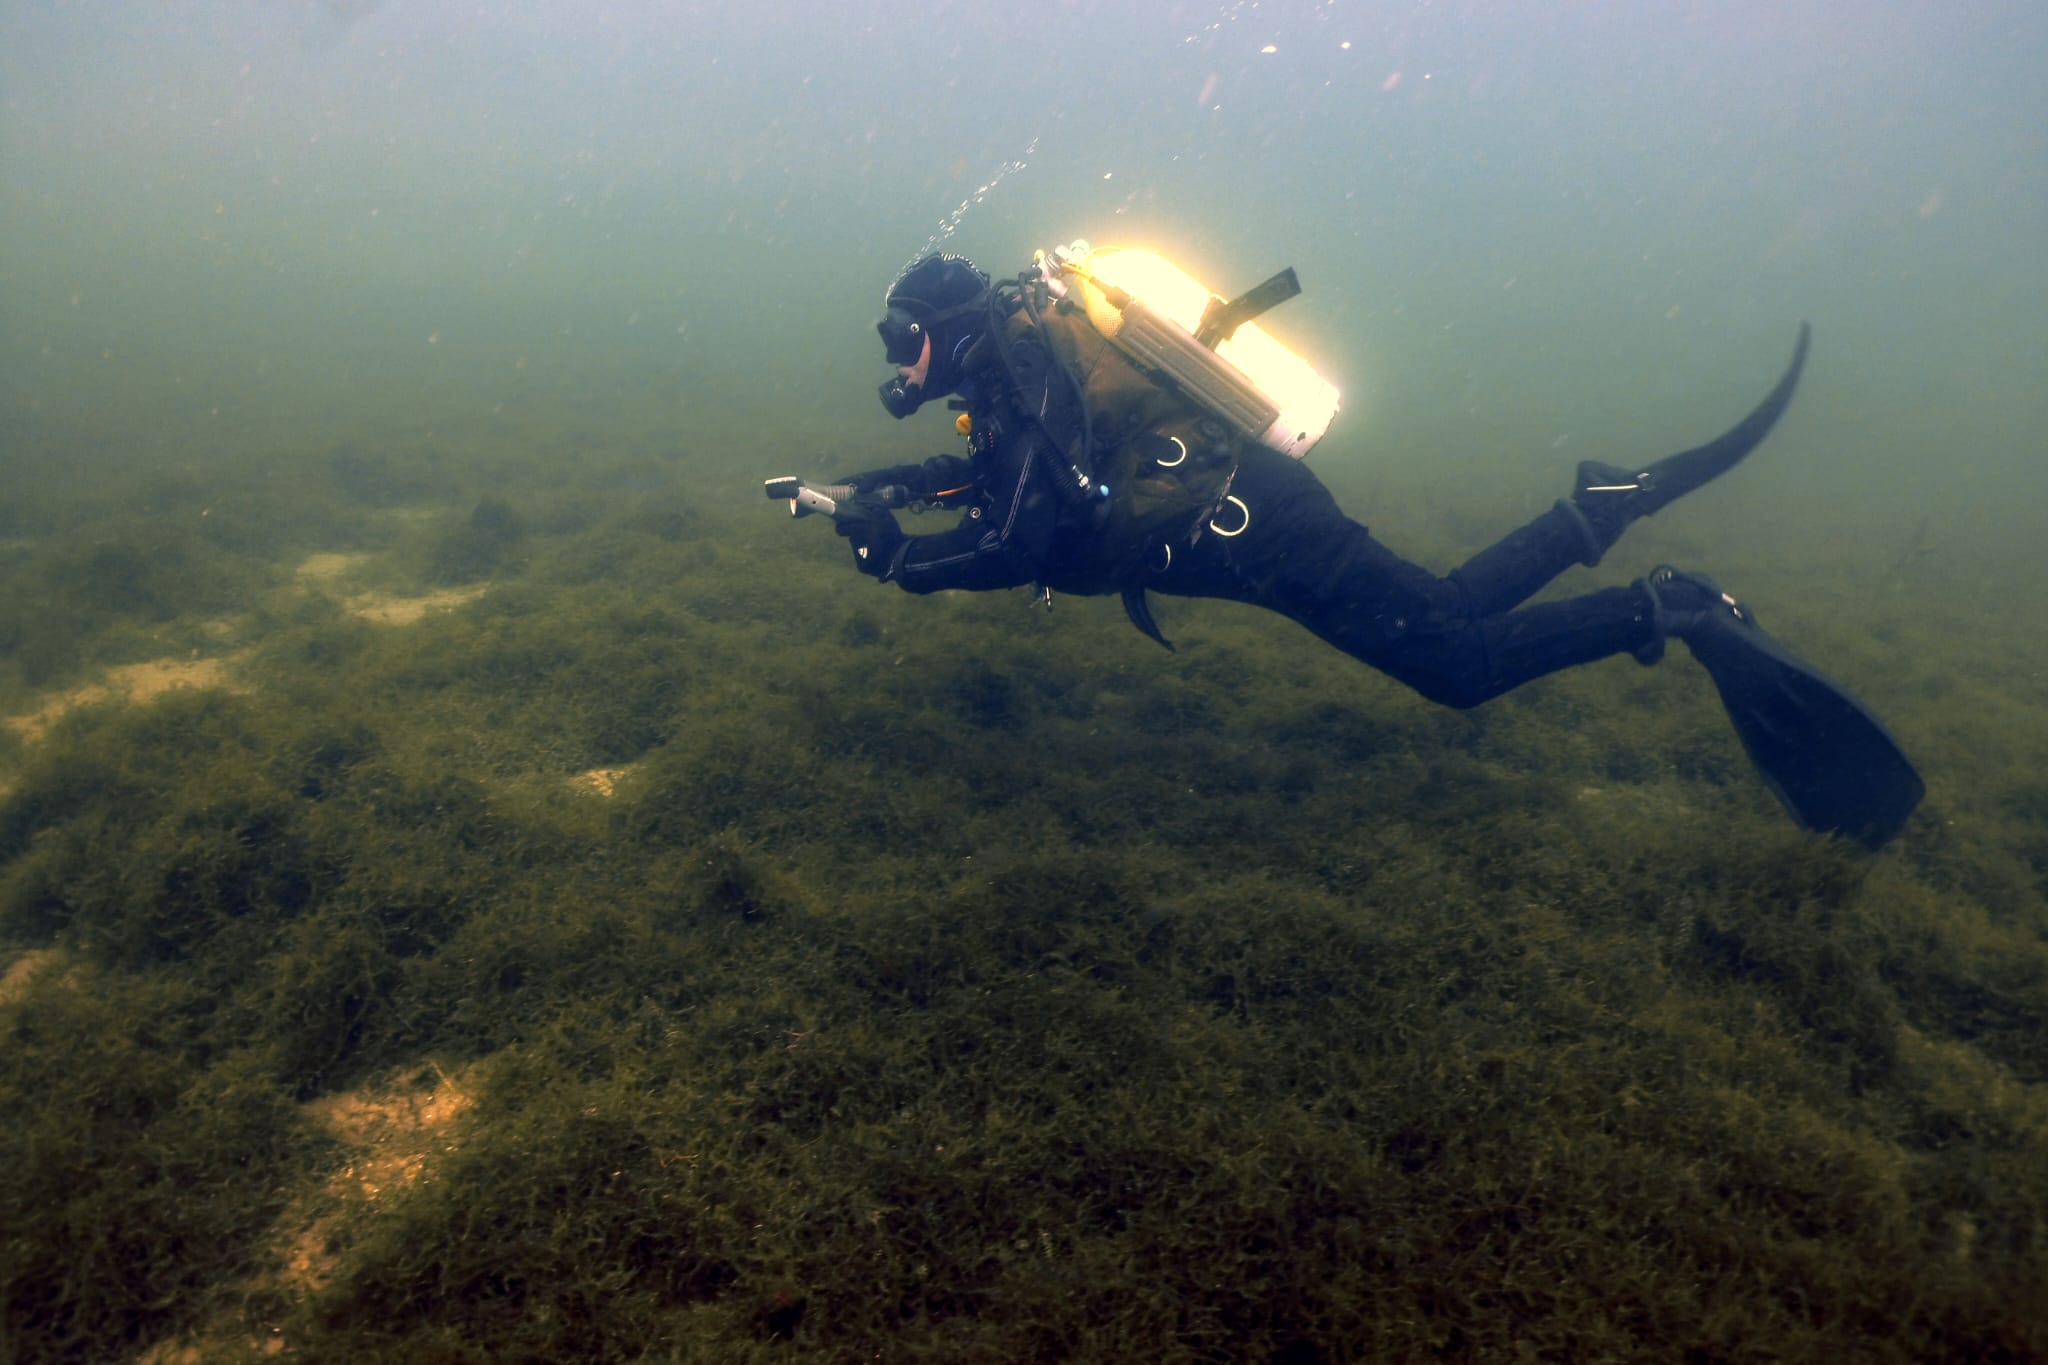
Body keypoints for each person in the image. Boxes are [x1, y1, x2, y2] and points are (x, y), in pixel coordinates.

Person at [776, 248, 1921, 847]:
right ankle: (1596, 510)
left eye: (901, 335)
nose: (894, 355)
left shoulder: (1025, 373)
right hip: (1241, 530)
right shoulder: (1015, 376)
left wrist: (900, 561)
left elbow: (1016, 538)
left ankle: (1663, 606)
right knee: (1444, 612)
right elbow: (991, 486)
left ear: (947, 330)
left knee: (1455, 665)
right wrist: (864, 496)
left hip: (1262, 527)